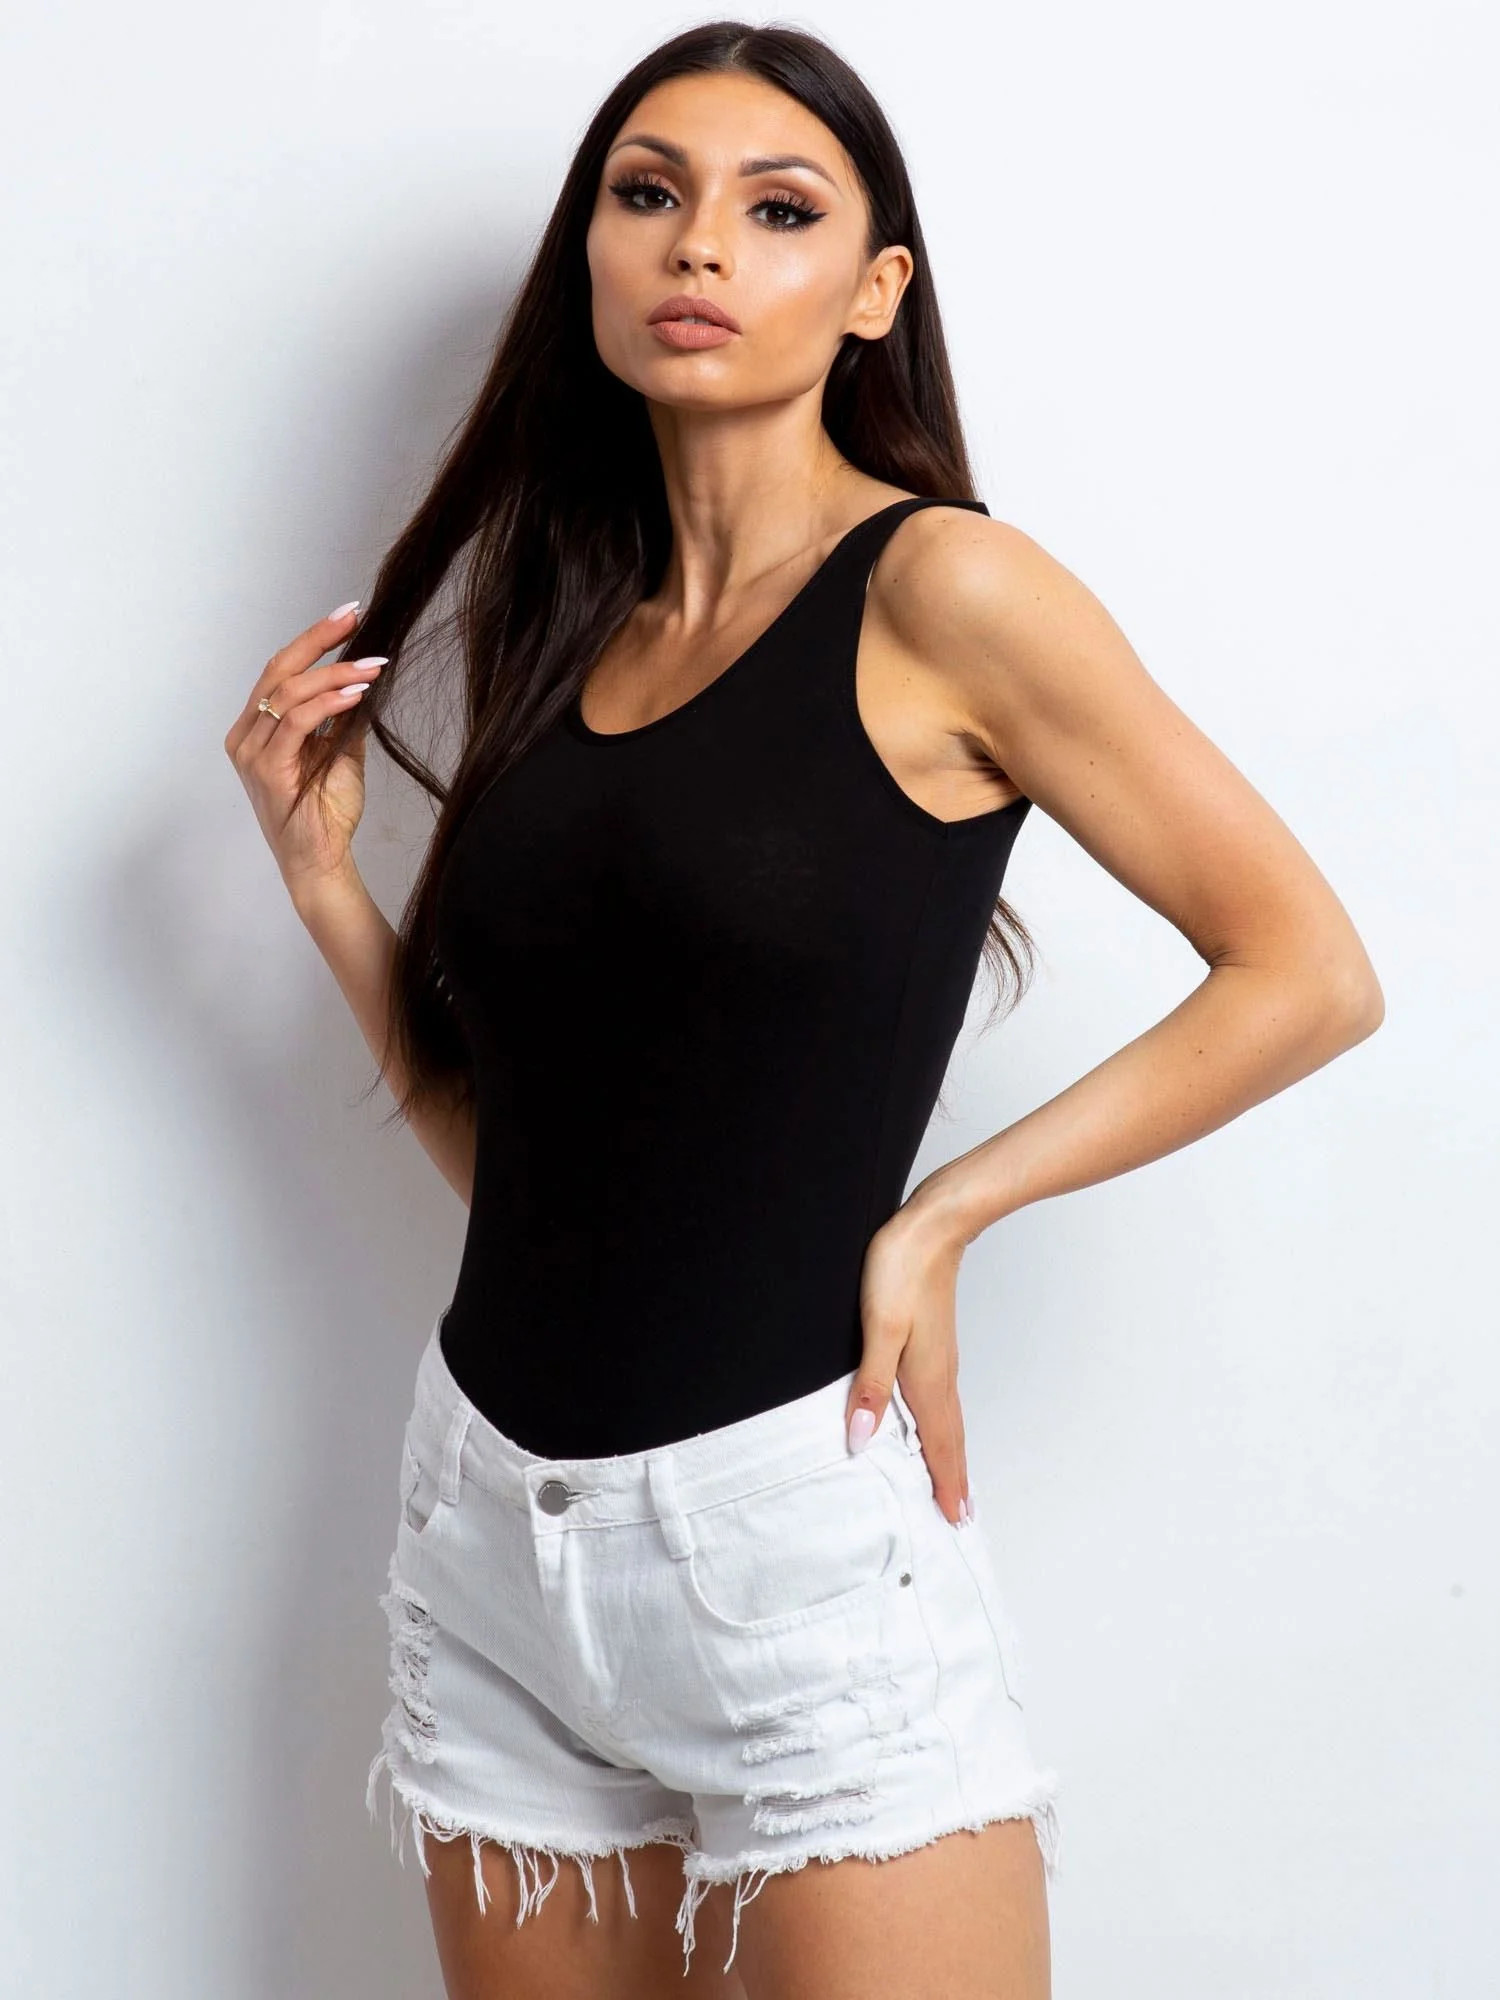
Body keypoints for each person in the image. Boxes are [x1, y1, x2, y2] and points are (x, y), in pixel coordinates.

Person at [223, 21, 1383, 2000]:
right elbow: (525, 1173)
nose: (699, 245)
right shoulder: (571, 633)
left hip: (792, 1548)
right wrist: (326, 883)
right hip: (489, 1537)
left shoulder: (950, 593)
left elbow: (1307, 968)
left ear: (871, 291)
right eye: (648, 194)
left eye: (779, 210)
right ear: (591, 256)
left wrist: (946, 1214)